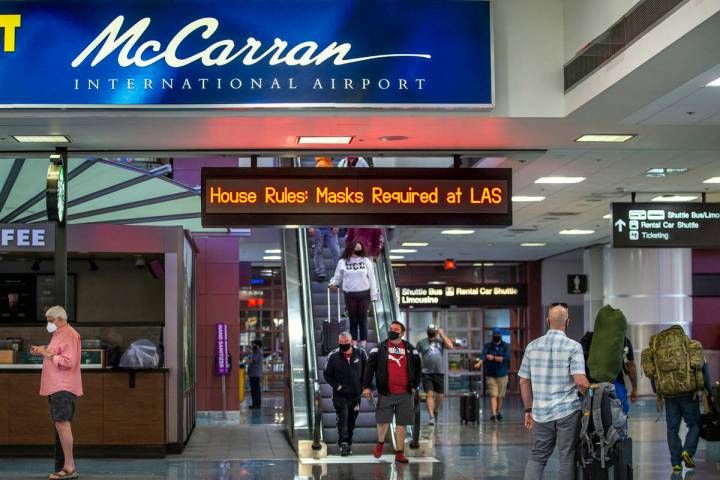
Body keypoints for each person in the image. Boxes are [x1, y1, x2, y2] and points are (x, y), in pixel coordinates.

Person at [518, 305, 589, 480]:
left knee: (537, 457)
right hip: (567, 412)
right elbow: (580, 381)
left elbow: (523, 381)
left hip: (541, 413)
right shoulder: (573, 347)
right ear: (568, 322)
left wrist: (529, 410)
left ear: (548, 321)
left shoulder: (532, 346)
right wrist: (589, 393)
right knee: (566, 457)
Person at [31, 306, 82, 480]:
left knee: (62, 424)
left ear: (60, 318)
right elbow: (56, 352)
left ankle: (69, 467)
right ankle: (68, 466)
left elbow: (68, 361)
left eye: (50, 320)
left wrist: (47, 354)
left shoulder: (70, 334)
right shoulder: (58, 333)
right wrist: (43, 350)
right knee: (60, 425)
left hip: (63, 386)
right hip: (56, 386)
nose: (48, 323)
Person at [363, 321, 422, 464]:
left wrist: (415, 385)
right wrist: (366, 386)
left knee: (402, 424)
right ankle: (380, 443)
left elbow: (418, 367)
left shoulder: (410, 348)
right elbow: (369, 368)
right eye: (390, 329)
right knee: (383, 421)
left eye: (395, 329)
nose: (392, 331)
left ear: (402, 333)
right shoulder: (380, 348)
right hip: (386, 392)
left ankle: (400, 452)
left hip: (405, 393)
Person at [323, 331, 368, 456]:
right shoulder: (333, 356)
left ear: (351, 341)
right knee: (343, 418)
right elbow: (326, 374)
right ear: (338, 342)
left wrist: (366, 387)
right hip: (340, 395)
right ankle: (343, 444)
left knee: (351, 420)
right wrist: (337, 386)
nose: (344, 344)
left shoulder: (361, 353)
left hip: (356, 395)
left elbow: (368, 371)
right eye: (342, 343)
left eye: (347, 342)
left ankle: (349, 442)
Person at [329, 241, 378, 349]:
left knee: (363, 320)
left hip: (364, 294)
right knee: (353, 320)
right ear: (351, 248)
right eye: (356, 248)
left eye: (360, 248)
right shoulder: (343, 261)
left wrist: (374, 296)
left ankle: (363, 344)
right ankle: (354, 343)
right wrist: (332, 284)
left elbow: (372, 279)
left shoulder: (366, 261)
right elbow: (337, 277)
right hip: (350, 294)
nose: (358, 250)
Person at [580, 333, 639, 414]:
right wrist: (634, 389)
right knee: (620, 413)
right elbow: (630, 365)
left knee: (589, 413)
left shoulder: (588, 339)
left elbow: (579, 365)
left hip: (592, 385)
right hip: (615, 385)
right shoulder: (622, 340)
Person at [416, 324, 454, 426]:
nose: (431, 333)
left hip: (439, 372)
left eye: (433, 331)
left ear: (436, 332)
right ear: (427, 332)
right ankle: (431, 417)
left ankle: (435, 410)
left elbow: (450, 346)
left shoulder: (440, 341)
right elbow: (415, 354)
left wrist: (442, 334)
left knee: (440, 396)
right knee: (429, 394)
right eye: (430, 331)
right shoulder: (422, 342)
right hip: (426, 373)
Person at [477, 329, 511, 422]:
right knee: (493, 395)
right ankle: (494, 414)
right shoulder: (488, 346)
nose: (496, 336)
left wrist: (493, 358)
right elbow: (483, 355)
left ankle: (498, 411)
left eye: (497, 334)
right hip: (490, 374)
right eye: (495, 335)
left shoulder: (506, 346)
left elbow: (506, 358)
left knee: (500, 396)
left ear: (500, 336)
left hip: (502, 374)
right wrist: (479, 363)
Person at [247, 340, 264, 409]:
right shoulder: (255, 352)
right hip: (253, 373)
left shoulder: (258, 352)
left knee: (255, 390)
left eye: (253, 344)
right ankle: (255, 404)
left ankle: (256, 405)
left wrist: (245, 362)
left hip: (255, 374)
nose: (252, 346)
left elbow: (252, 360)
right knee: (254, 390)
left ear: (257, 345)